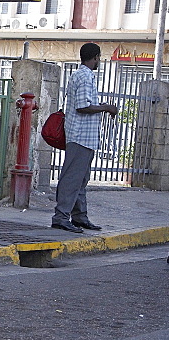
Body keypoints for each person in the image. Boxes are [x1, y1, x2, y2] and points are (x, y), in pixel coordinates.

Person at [51, 42, 118, 233]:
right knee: (72, 179)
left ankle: (79, 217)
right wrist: (107, 107)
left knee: (81, 179)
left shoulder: (84, 76)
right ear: (95, 57)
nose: (99, 61)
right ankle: (61, 216)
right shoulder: (84, 76)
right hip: (80, 136)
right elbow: (83, 106)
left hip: (85, 138)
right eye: (99, 58)